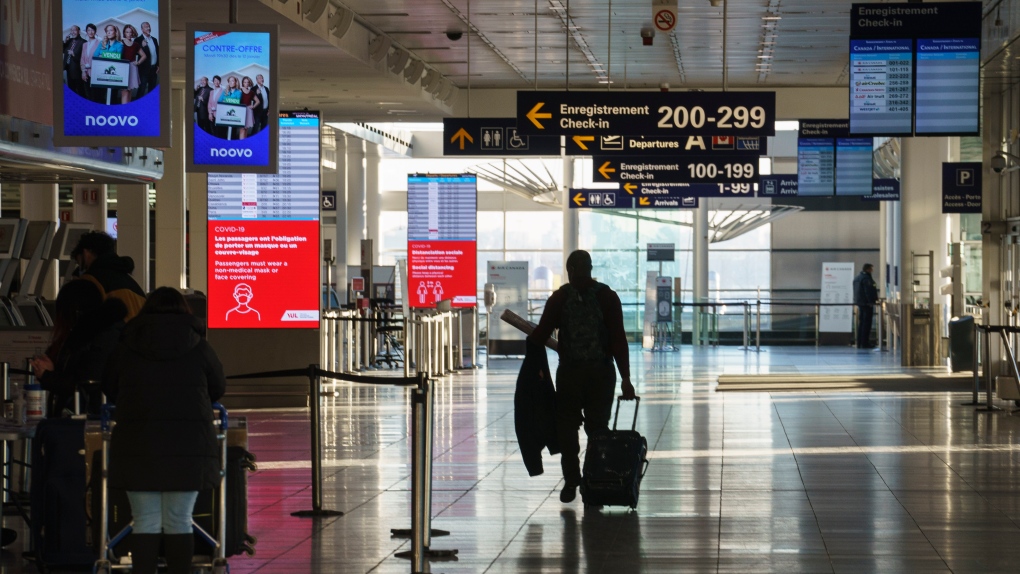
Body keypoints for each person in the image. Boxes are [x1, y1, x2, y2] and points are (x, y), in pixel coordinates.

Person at [103, 287, 226, 574]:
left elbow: (110, 387)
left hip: (137, 443)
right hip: (189, 446)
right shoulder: (200, 346)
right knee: (179, 519)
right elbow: (217, 387)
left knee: (144, 520)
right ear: (185, 311)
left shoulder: (127, 345)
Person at [527, 250, 635, 504]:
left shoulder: (560, 298)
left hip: (570, 374)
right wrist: (626, 378)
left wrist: (533, 362)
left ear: (571, 270)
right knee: (598, 430)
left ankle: (571, 479)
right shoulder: (607, 296)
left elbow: (540, 335)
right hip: (602, 374)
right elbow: (618, 340)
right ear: (590, 268)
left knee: (567, 428)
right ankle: (594, 481)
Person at [30, 280, 126, 417]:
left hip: (93, 419)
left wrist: (48, 376)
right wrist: (52, 370)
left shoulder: (101, 338)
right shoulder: (93, 334)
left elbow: (86, 385)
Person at [70, 231, 146, 321]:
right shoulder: (131, 283)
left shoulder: (91, 279)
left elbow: (87, 319)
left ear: (86, 253)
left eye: (78, 262)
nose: (79, 267)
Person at [853, 263, 879, 349]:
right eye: (871, 269)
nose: (872, 270)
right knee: (867, 323)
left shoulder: (857, 278)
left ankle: (860, 342)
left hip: (860, 303)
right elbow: (868, 291)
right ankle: (865, 343)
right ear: (868, 269)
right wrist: (871, 301)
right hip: (866, 304)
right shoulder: (866, 279)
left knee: (861, 323)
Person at [120, 24, 146, 104]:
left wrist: (138, 62)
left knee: (129, 90)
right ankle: (124, 108)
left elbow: (144, 56)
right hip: (123, 67)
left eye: (130, 32)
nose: (129, 34)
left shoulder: (135, 44)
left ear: (132, 33)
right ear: (124, 33)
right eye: (127, 32)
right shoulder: (121, 42)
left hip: (132, 67)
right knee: (124, 90)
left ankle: (128, 108)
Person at [63, 25, 87, 97]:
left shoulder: (83, 42)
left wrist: (74, 54)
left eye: (75, 30)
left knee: (80, 90)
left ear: (79, 31)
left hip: (77, 70)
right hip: (68, 68)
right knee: (71, 88)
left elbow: (84, 57)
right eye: (71, 30)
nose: (73, 32)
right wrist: (65, 41)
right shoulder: (69, 41)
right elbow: (62, 50)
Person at [137, 21, 159, 97]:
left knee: (152, 92)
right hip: (143, 70)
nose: (148, 28)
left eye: (149, 26)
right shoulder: (138, 40)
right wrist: (142, 46)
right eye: (146, 27)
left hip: (154, 69)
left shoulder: (154, 40)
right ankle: (138, 104)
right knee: (141, 90)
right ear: (142, 29)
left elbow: (157, 53)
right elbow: (136, 54)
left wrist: (158, 65)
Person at [80, 24, 100, 100]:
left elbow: (99, 58)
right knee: (88, 95)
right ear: (86, 31)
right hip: (86, 73)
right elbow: (82, 58)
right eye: (88, 30)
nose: (90, 32)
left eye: (92, 30)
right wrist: (83, 71)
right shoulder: (84, 44)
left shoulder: (99, 43)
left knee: (95, 96)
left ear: (95, 31)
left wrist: (89, 66)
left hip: (96, 73)